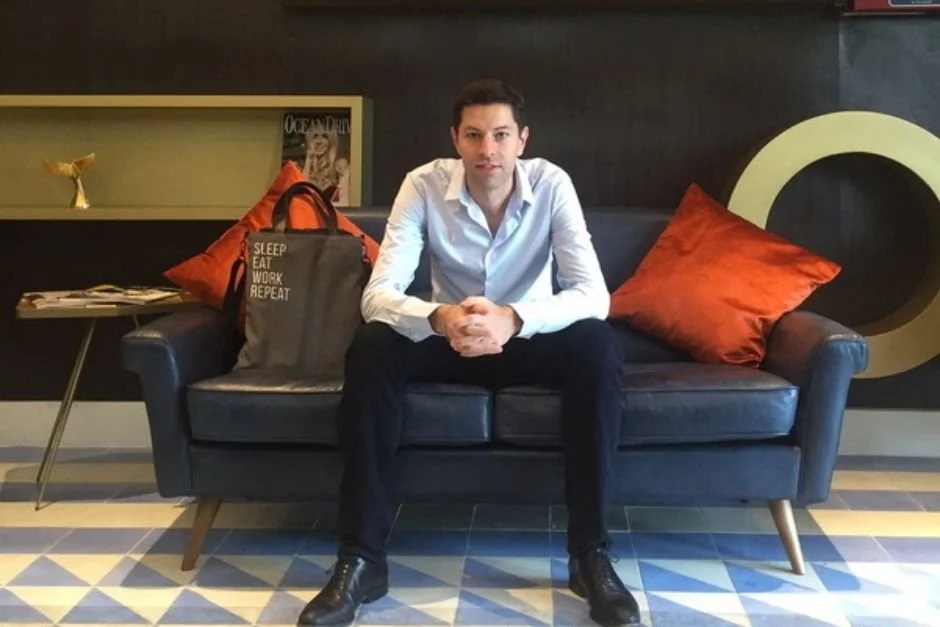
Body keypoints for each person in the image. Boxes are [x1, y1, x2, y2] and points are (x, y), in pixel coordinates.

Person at [298, 79, 640, 626]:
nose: (488, 150)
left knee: (597, 345)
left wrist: (514, 318)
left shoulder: (552, 184)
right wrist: (439, 316)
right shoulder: (423, 185)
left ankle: (590, 555)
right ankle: (361, 560)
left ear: (522, 140)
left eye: (501, 135)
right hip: (449, 338)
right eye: (475, 135)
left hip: (528, 339)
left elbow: (592, 296)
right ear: (455, 139)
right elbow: (378, 295)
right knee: (373, 345)